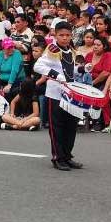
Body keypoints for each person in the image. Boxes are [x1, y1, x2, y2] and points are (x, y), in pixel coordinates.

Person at [33, 21, 83, 171]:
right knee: (57, 127)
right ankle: (58, 157)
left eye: (68, 35)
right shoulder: (51, 49)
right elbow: (38, 66)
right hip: (55, 94)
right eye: (61, 35)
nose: (65, 38)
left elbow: (69, 69)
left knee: (71, 126)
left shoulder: (70, 49)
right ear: (55, 34)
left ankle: (67, 156)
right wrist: (56, 75)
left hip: (70, 93)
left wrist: (81, 68)